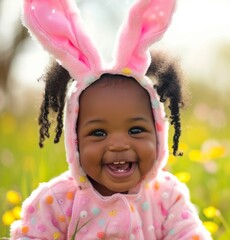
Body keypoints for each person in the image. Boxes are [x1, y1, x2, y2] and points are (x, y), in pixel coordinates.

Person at [10, 0, 211, 239]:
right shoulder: (58, 201)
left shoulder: (167, 196)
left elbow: (188, 234)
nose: (118, 145)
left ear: (158, 133)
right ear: (75, 142)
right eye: (98, 133)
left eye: (136, 130)